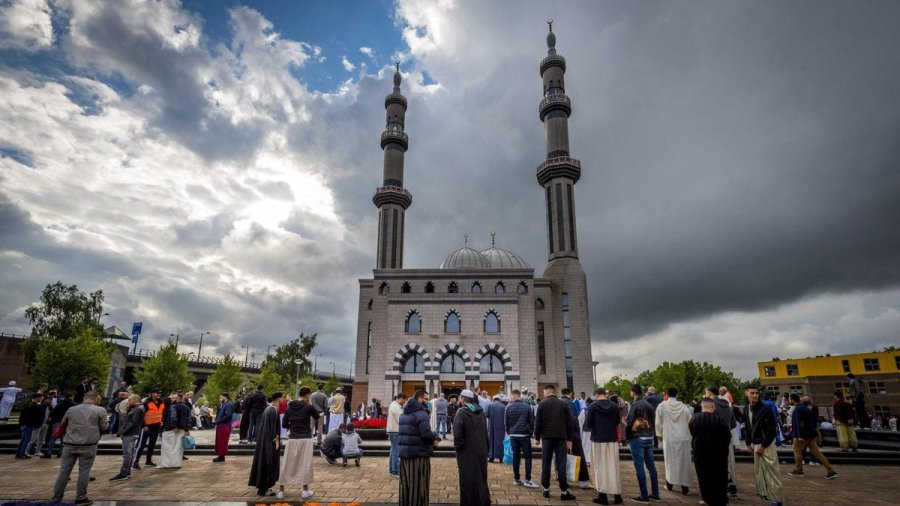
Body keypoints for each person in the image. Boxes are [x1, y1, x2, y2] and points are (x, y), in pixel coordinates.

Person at [51, 391, 108, 504]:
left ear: (84, 398)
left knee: (64, 472)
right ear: (96, 399)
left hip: (69, 444)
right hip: (88, 444)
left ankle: (56, 498)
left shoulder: (72, 409)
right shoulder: (100, 410)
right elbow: (105, 427)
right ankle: (81, 497)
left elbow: (63, 424)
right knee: (84, 471)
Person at [534, 384, 577, 501]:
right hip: (561, 437)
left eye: (544, 392)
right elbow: (569, 423)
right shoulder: (563, 404)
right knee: (561, 463)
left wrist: (537, 437)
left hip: (547, 438)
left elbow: (538, 422)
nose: (543, 394)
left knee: (546, 463)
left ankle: (546, 489)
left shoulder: (542, 404)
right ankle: (564, 491)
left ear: (547, 392)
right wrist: (569, 439)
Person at [743, 385, 783, 506]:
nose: (755, 395)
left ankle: (777, 499)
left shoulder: (765, 409)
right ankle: (768, 495)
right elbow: (747, 427)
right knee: (759, 472)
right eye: (752, 393)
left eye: (756, 393)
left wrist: (763, 446)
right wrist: (748, 443)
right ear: (746, 394)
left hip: (766, 444)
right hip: (756, 443)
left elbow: (771, 430)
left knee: (772, 472)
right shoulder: (746, 409)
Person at [398, 389, 438, 506]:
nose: (427, 401)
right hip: (419, 455)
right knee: (418, 485)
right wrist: (435, 435)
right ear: (420, 399)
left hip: (405, 454)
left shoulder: (404, 413)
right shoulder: (421, 413)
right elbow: (426, 434)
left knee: (406, 485)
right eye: (426, 399)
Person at [278, 386, 318, 500]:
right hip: (305, 438)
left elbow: (284, 424)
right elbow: (316, 416)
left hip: (293, 438)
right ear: (306, 395)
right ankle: (305, 490)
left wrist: (293, 425)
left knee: (287, 463)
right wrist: (310, 404)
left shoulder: (289, 408)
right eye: (309, 395)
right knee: (305, 464)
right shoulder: (308, 407)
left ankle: (281, 491)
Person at [584, 388, 623, 505]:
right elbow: (617, 422)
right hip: (611, 439)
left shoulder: (592, 407)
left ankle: (603, 495)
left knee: (599, 467)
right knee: (613, 466)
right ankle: (617, 495)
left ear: (596, 395)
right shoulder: (615, 406)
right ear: (605, 394)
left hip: (598, 439)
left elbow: (589, 424)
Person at [690, 398, 731, 506]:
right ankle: (720, 498)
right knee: (719, 476)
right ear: (713, 407)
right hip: (718, 454)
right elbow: (727, 437)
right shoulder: (720, 420)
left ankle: (706, 497)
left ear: (702, 406)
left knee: (703, 476)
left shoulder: (695, 418)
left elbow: (692, 432)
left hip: (700, 452)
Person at [453, 389, 491, 505]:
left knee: (467, 478)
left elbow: (457, 434)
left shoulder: (461, 412)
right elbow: (485, 432)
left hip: (467, 452)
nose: (459, 399)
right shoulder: (481, 412)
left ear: (464, 399)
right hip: (481, 450)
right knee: (481, 476)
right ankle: (483, 500)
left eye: (460, 397)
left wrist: (459, 448)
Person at [787, 393, 837, 479]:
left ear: (792, 399)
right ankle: (831, 470)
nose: (789, 401)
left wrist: (800, 435)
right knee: (817, 453)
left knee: (797, 451)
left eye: (789, 399)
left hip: (802, 435)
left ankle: (799, 470)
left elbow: (800, 423)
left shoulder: (798, 409)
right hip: (810, 434)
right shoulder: (805, 408)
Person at [655, 387, 692, 495]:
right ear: (677, 394)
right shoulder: (684, 408)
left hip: (669, 437)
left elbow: (658, 423)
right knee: (684, 462)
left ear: (666, 393)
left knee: (670, 461)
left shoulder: (662, 406)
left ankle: (669, 483)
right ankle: (684, 486)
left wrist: (660, 435)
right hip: (683, 437)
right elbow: (690, 422)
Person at [625, 385, 659, 504]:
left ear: (633, 392)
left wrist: (627, 435)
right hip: (649, 436)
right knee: (651, 466)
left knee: (639, 466)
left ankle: (644, 496)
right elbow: (653, 421)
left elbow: (630, 422)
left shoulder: (635, 404)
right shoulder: (648, 404)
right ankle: (655, 494)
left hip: (637, 437)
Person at [705, 386, 738, 497]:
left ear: (709, 394)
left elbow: (705, 422)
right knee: (728, 462)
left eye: (706, 394)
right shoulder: (728, 405)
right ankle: (730, 484)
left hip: (713, 437)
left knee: (714, 464)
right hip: (726, 437)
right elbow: (733, 424)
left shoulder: (709, 406)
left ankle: (718, 489)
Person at [249, 392, 283, 497]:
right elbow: (273, 430)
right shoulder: (273, 411)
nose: (282, 400)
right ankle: (264, 488)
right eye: (281, 398)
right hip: (269, 444)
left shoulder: (267, 409)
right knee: (268, 463)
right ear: (278, 399)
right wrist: (276, 442)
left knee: (263, 463)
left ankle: (262, 488)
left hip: (263, 442)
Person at [505, 389, 539, 489]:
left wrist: (510, 432)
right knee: (528, 457)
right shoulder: (527, 406)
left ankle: (516, 479)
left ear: (514, 396)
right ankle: (527, 480)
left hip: (513, 436)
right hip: (524, 436)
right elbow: (532, 421)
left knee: (516, 457)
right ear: (519, 396)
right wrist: (529, 432)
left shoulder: (508, 407)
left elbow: (506, 423)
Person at [561, 387, 591, 488]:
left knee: (563, 457)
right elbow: (574, 420)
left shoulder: (560, 402)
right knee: (579, 456)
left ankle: (565, 479)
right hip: (572, 435)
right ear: (570, 394)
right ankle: (582, 481)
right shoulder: (569, 403)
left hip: (562, 435)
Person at [111, 394, 144, 481]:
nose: (128, 402)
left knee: (127, 454)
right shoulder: (137, 408)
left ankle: (124, 472)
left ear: (134, 400)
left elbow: (133, 423)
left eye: (129, 400)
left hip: (130, 434)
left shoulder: (137, 409)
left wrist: (123, 432)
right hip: (132, 434)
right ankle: (127, 471)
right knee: (130, 454)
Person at [134, 388, 164, 469]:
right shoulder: (146, 402)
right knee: (141, 445)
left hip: (156, 426)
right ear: (152, 393)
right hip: (147, 427)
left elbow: (161, 413)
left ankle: (148, 460)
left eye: (159, 393)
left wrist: (161, 421)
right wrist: (144, 425)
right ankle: (135, 462)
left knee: (152, 444)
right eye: (157, 393)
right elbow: (141, 415)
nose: (158, 394)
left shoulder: (161, 402)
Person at [159, 392, 191, 468]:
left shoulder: (173, 406)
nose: (172, 399)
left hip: (172, 429)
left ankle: (167, 464)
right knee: (178, 448)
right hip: (182, 429)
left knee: (167, 447)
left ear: (178, 398)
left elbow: (173, 417)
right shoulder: (187, 407)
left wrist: (174, 426)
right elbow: (188, 419)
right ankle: (176, 464)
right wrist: (187, 429)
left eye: (173, 398)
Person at [16, 393, 45, 459]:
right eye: (40, 397)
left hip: (25, 424)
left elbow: (22, 415)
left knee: (23, 439)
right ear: (37, 398)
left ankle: (19, 453)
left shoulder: (27, 405)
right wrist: (36, 424)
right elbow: (36, 417)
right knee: (27, 439)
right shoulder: (35, 406)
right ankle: (22, 454)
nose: (41, 399)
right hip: (28, 425)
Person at [387, 392, 407, 478]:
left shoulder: (393, 405)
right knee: (396, 451)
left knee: (393, 451)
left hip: (393, 430)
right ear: (401, 398)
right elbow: (401, 420)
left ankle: (392, 470)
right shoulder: (396, 407)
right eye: (404, 400)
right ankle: (395, 471)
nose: (404, 402)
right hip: (395, 430)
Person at [213, 392, 234, 462]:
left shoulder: (228, 404)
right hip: (221, 425)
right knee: (220, 441)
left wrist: (218, 421)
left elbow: (228, 415)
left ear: (225, 397)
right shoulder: (224, 404)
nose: (220, 399)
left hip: (224, 425)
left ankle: (221, 456)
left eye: (221, 397)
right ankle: (220, 455)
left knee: (223, 441)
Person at [486, 394, 506, 463]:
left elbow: (487, 415)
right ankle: (500, 457)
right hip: (501, 427)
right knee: (500, 441)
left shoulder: (490, 405)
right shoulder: (503, 406)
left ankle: (491, 456)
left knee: (491, 441)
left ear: (493, 399)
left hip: (491, 426)